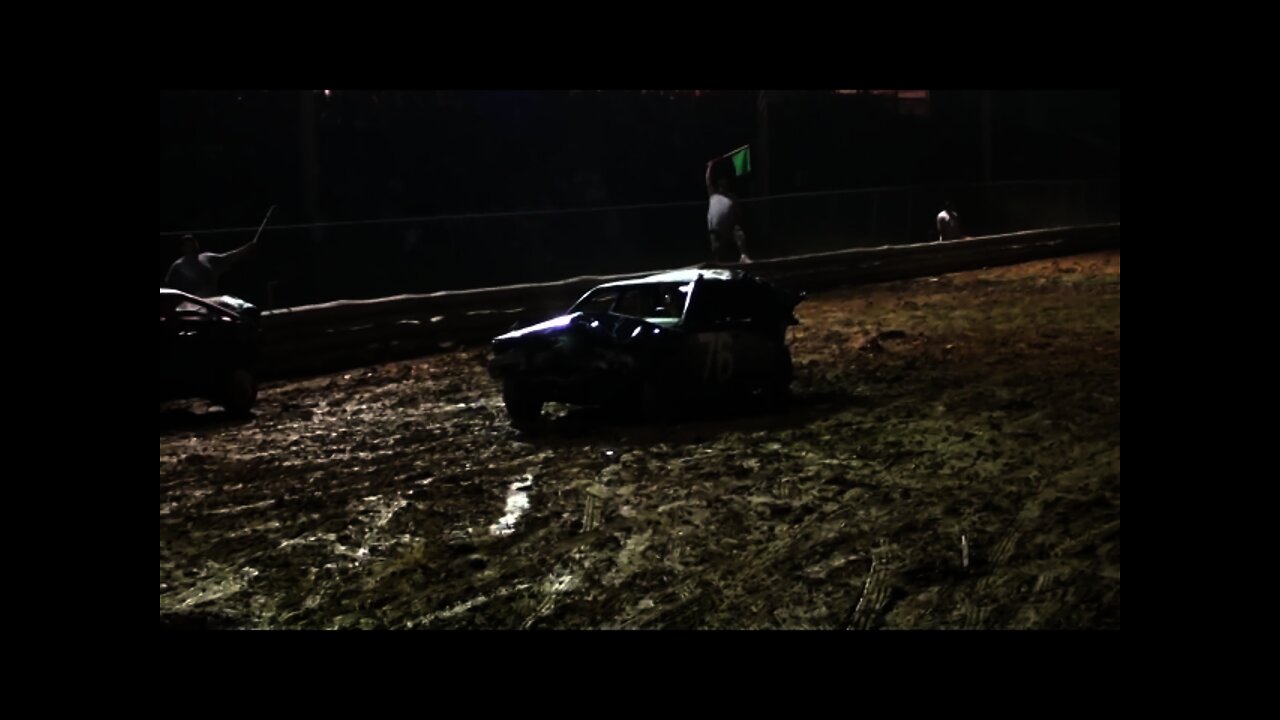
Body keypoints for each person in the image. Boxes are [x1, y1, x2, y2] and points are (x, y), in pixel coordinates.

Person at [165, 233, 258, 298]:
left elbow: (228, 257)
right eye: (189, 247)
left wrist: (247, 248)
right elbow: (170, 290)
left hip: (213, 305)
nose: (192, 249)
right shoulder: (178, 267)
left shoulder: (207, 258)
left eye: (194, 246)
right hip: (191, 308)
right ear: (183, 249)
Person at [706, 161, 751, 263]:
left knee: (738, 232)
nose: (723, 183)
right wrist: (710, 167)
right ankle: (718, 262)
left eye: (724, 181)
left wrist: (735, 222)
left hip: (729, 227)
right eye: (721, 181)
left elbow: (738, 213)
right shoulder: (713, 194)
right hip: (715, 229)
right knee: (716, 247)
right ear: (718, 184)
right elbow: (708, 181)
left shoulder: (732, 197)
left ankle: (743, 256)